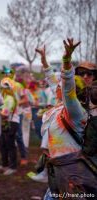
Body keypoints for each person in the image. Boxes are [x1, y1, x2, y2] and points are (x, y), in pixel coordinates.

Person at [37, 39, 97, 196]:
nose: (57, 86)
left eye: (89, 74)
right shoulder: (59, 104)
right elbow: (52, 79)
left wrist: (66, 60)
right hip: (58, 172)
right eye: (82, 73)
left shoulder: (74, 110)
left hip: (74, 176)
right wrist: (44, 61)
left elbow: (68, 87)